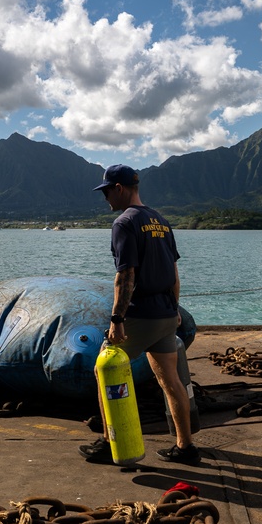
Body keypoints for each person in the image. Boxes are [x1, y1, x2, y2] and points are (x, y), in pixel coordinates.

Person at [78, 164, 200, 465]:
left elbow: (126, 276)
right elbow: (174, 273)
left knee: (102, 369)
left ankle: (110, 443)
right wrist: (175, 308)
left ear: (119, 188)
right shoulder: (161, 221)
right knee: (170, 379)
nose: (105, 199)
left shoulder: (124, 223)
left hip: (139, 315)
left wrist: (117, 319)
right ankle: (186, 447)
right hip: (165, 314)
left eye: (107, 191)